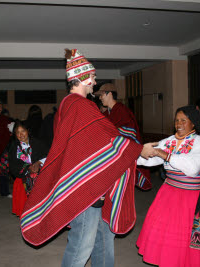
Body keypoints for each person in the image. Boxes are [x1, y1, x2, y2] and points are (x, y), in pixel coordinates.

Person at [20, 49, 155, 267]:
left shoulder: (67, 105)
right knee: (82, 243)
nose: (94, 80)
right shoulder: (81, 106)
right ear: (83, 77)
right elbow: (106, 138)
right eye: (92, 76)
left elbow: (93, 141)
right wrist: (138, 150)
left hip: (90, 181)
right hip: (85, 187)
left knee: (103, 237)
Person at [136, 106, 200, 267]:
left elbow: (192, 168)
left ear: (194, 123)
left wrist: (163, 154)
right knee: (168, 240)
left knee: (188, 242)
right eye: (177, 120)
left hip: (191, 198)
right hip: (168, 195)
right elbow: (147, 160)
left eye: (184, 120)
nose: (179, 123)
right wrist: (137, 153)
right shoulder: (169, 141)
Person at [95, 83, 152, 190]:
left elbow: (130, 133)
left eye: (101, 95)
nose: (100, 98)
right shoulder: (107, 113)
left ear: (109, 94)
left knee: (121, 188)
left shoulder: (121, 110)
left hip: (124, 155)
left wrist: (110, 134)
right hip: (113, 156)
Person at [8, 120, 48, 217]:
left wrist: (38, 163)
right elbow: (13, 167)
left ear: (28, 131)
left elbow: (49, 155)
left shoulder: (38, 143)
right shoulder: (14, 148)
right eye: (18, 132)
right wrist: (28, 168)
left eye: (23, 131)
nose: (21, 134)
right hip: (23, 181)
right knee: (27, 212)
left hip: (40, 179)